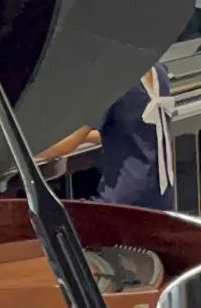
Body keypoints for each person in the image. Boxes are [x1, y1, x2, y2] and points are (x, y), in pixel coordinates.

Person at [41, 64, 174, 210]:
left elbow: (68, 144)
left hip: (124, 200)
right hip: (161, 198)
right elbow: (131, 130)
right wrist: (85, 137)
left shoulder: (114, 83)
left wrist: (29, 149)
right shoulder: (160, 72)